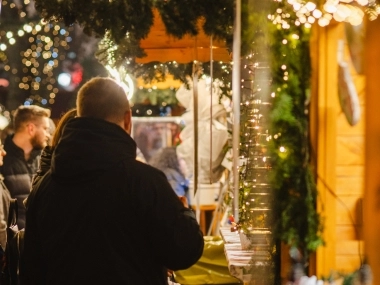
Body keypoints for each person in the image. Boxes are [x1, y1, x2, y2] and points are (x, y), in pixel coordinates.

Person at [20, 77, 204, 285]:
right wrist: (185, 214)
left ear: (80, 116)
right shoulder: (144, 182)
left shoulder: (45, 188)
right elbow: (183, 252)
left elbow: (31, 268)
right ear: (127, 119)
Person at [0, 105, 50, 229]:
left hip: (39, 239)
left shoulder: (44, 160)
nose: (48, 134)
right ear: (31, 129)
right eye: (45, 128)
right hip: (11, 242)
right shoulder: (2, 158)